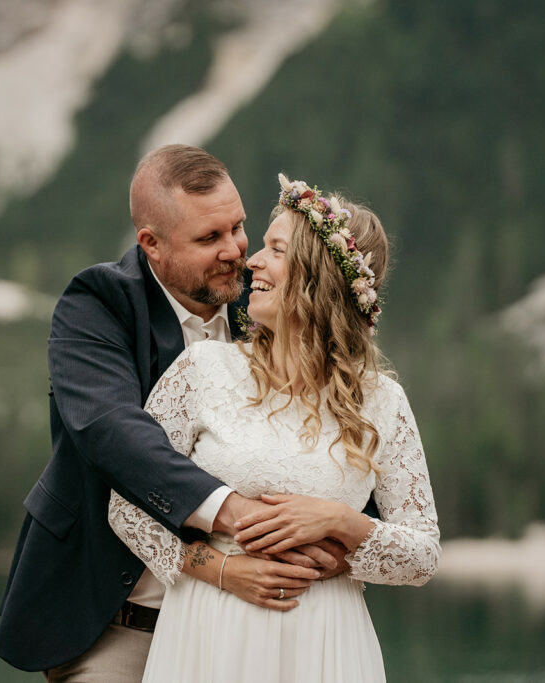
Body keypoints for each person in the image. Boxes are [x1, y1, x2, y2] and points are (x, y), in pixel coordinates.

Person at [0, 147, 354, 681]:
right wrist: (241, 519)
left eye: (238, 227)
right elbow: (111, 431)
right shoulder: (98, 303)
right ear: (151, 245)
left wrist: (340, 544)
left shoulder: (264, 303)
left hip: (250, 632)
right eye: (209, 238)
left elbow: (340, 432)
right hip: (120, 623)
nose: (235, 251)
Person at [108, 173, 441, 682]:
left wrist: (339, 522)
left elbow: (421, 556)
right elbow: (126, 506)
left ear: (319, 278)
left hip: (325, 640)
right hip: (210, 629)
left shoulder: (381, 400)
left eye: (277, 250)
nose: (252, 261)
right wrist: (222, 570)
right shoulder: (203, 370)